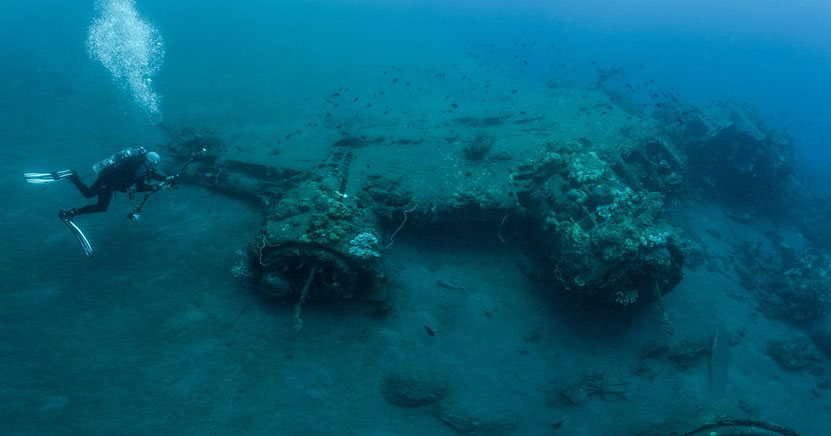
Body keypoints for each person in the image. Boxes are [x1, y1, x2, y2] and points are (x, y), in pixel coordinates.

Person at [59, 147, 172, 220]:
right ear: (149, 161)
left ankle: (72, 211)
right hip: (107, 182)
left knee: (100, 206)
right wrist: (158, 186)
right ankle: (72, 177)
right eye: (153, 165)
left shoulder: (140, 164)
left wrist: (165, 179)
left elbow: (151, 174)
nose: (153, 167)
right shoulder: (140, 167)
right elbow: (140, 186)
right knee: (90, 196)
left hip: (109, 181)